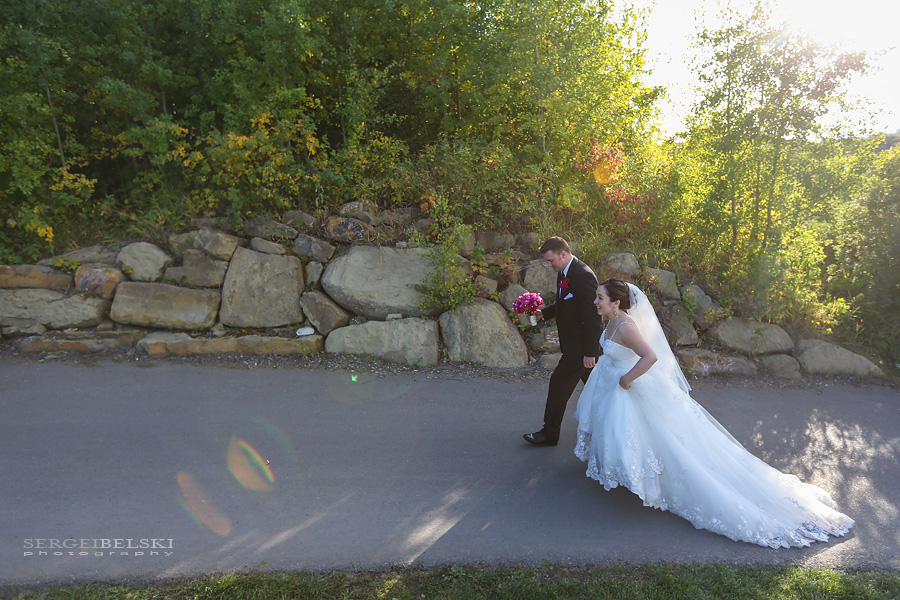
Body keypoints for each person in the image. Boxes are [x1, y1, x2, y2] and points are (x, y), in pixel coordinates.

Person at [574, 278, 854, 547]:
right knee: (627, 434)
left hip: (627, 386)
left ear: (616, 302)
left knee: (663, 440)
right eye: (597, 297)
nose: (595, 301)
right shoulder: (611, 321)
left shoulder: (626, 327)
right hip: (611, 384)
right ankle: (626, 476)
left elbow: (650, 356)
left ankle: (651, 481)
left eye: (600, 297)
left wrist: (627, 379)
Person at [523, 237, 603, 447]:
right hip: (576, 348)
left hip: (580, 350)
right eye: (547, 262)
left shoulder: (582, 275)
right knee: (600, 391)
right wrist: (544, 314)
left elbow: (593, 317)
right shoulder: (564, 272)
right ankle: (610, 429)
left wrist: (590, 352)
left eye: (551, 260)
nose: (549, 265)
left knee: (558, 385)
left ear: (563, 254)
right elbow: (564, 303)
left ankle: (550, 434)